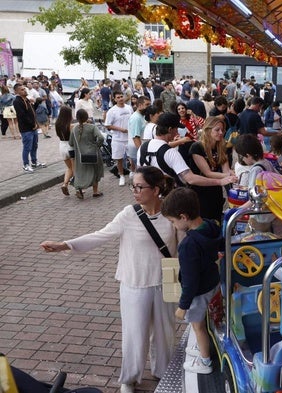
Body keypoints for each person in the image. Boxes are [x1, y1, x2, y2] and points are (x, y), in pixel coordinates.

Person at [40, 166, 180, 393]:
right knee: (135, 333)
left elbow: (183, 245)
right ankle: (130, 377)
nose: (134, 190)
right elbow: (100, 236)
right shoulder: (129, 214)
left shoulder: (171, 213)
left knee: (166, 332)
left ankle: (162, 371)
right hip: (135, 281)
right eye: (133, 186)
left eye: (139, 187)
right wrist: (65, 245)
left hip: (169, 279)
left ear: (155, 190)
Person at [160, 187, 221, 375]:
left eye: (172, 221)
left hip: (199, 291)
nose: (172, 225)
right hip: (213, 282)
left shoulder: (188, 245)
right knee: (206, 321)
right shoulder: (211, 226)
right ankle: (204, 350)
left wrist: (183, 306)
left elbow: (190, 281)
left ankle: (204, 361)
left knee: (198, 326)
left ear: (184, 216)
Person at [138, 112, 237, 188]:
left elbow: (138, 173)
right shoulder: (171, 152)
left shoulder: (143, 147)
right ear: (169, 129)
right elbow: (190, 179)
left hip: (147, 196)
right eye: (176, 129)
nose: (177, 132)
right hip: (167, 199)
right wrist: (220, 181)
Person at [186, 117, 234, 223]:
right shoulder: (197, 147)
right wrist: (229, 176)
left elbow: (226, 170)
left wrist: (232, 174)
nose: (221, 133)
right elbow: (208, 173)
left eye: (222, 130)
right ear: (208, 130)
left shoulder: (222, 146)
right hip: (200, 190)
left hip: (215, 188)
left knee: (216, 219)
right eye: (217, 130)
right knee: (204, 220)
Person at [234, 133, 277, 232]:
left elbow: (253, 198)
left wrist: (237, 211)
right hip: (270, 214)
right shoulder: (267, 163)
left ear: (248, 155)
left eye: (242, 157)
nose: (242, 160)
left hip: (259, 217)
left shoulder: (256, 170)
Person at [69, 109, 104, 199]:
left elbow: (71, 143)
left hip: (81, 155)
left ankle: (78, 189)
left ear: (77, 118)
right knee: (95, 171)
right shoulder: (92, 127)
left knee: (81, 172)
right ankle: (95, 191)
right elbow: (100, 137)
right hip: (93, 153)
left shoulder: (74, 129)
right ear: (87, 116)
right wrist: (97, 145)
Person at [13, 82, 46, 172]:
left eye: (24, 89)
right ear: (17, 92)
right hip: (26, 129)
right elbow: (22, 116)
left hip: (33, 127)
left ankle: (34, 162)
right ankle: (26, 165)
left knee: (34, 146)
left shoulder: (27, 99)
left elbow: (31, 111)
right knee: (27, 147)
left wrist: (36, 103)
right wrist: (33, 124)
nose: (24, 90)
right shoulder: (17, 101)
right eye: (22, 90)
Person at [105, 90, 133, 186]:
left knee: (132, 157)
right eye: (118, 97)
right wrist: (120, 129)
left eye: (122, 96)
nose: (121, 99)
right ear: (114, 99)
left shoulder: (129, 108)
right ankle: (121, 175)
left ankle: (132, 171)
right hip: (118, 139)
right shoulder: (112, 111)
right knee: (119, 159)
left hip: (129, 138)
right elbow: (108, 125)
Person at [127, 95, 150, 175]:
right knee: (140, 174)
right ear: (140, 105)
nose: (149, 107)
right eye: (147, 105)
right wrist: (141, 153)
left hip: (140, 149)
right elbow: (136, 137)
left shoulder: (141, 116)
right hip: (137, 149)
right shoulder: (136, 118)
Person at [55, 105, 75, 196]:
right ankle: (79, 188)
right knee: (75, 168)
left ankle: (65, 184)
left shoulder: (57, 124)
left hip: (62, 146)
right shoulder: (70, 126)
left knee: (69, 168)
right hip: (70, 147)